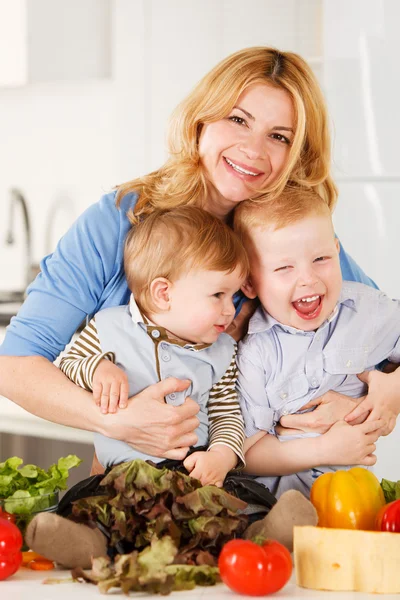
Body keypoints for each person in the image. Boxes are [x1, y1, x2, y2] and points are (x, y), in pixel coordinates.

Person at [0, 46, 395, 460]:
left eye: (279, 136)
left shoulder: (292, 240)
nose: (254, 150)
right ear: (201, 120)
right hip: (139, 494)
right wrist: (115, 420)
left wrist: (379, 396)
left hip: (260, 499)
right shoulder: (118, 222)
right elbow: (14, 367)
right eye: (238, 120)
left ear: (297, 154)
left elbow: (383, 333)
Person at [60, 205, 249, 487]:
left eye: (232, 294)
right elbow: (68, 363)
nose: (229, 310)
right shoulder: (107, 327)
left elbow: (227, 413)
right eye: (218, 294)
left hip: (192, 478)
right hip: (119, 479)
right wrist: (97, 369)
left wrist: (222, 456)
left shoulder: (222, 351)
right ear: (164, 293)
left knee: (246, 506)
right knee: (86, 511)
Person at [234, 186, 400, 498]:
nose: (308, 279)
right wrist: (322, 449)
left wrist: (394, 389)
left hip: (355, 502)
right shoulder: (255, 353)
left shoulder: (365, 311)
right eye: (284, 267)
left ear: (337, 251)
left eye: (321, 258)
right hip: (269, 508)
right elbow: (245, 455)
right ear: (250, 282)